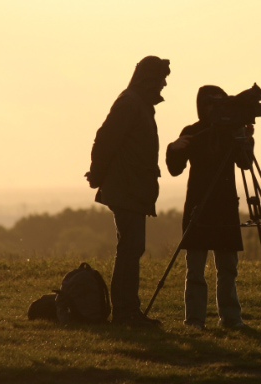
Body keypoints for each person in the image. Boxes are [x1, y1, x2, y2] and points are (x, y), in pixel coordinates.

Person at [85, 56, 171, 327]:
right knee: (130, 249)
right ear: (150, 79)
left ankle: (128, 311)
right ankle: (125, 313)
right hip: (127, 188)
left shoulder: (136, 103)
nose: (164, 84)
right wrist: (97, 174)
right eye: (161, 78)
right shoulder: (131, 103)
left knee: (131, 249)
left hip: (131, 188)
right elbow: (105, 138)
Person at [165, 85, 253, 330]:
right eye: (211, 103)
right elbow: (175, 169)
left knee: (228, 269)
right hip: (198, 206)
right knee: (195, 270)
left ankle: (231, 319)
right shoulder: (193, 132)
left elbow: (245, 164)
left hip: (224, 207)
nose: (216, 108)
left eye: (221, 103)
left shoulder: (231, 131)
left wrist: (246, 140)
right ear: (202, 106)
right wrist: (173, 149)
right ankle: (194, 320)